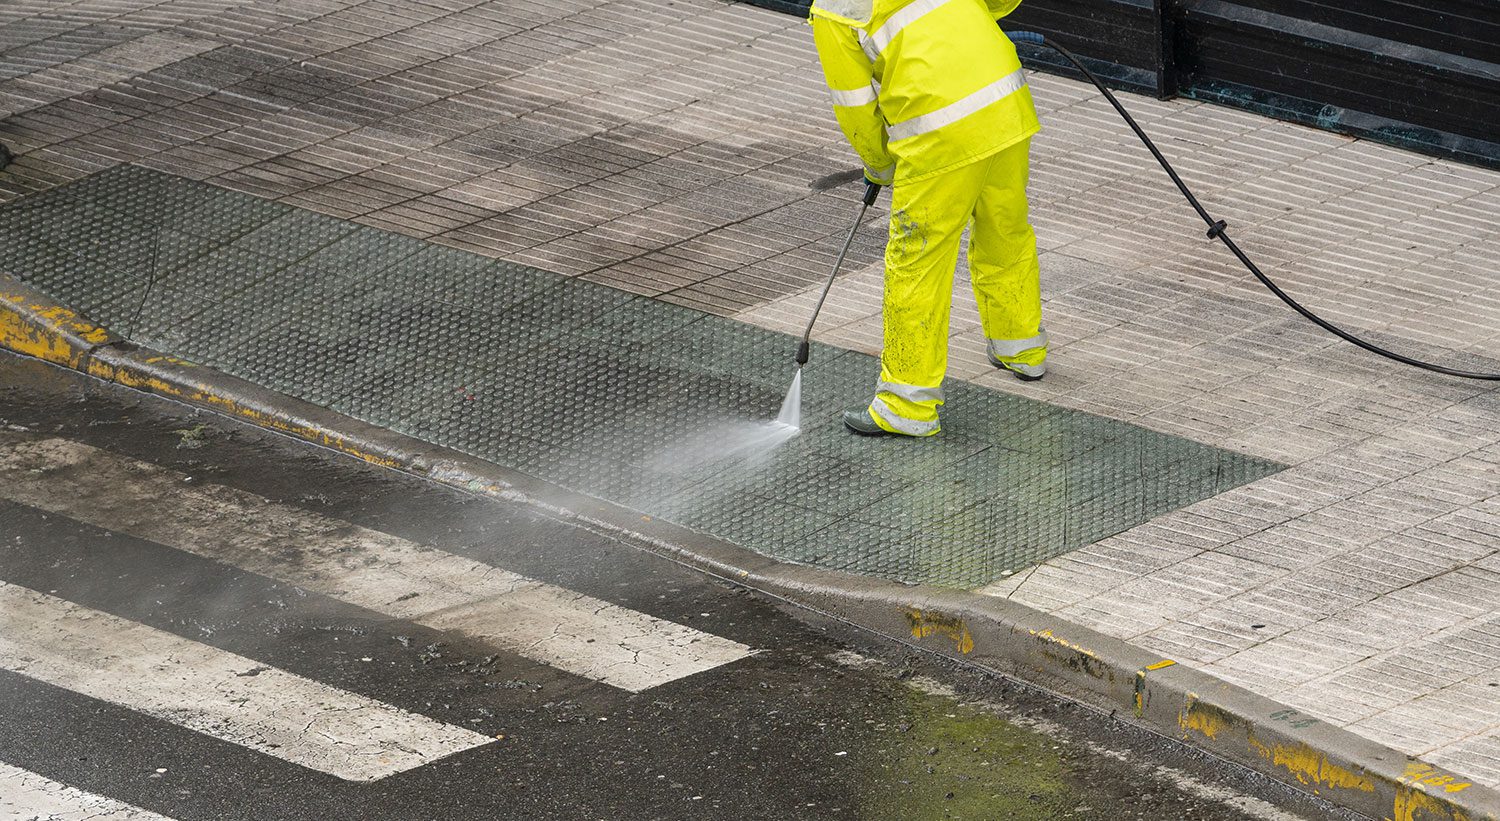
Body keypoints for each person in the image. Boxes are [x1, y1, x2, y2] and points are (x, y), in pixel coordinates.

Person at [809, 0, 1047, 437]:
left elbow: (855, 105)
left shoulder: (833, 9)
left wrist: (879, 163)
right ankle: (1022, 348)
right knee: (1004, 225)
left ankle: (906, 404)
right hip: (1004, 103)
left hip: (940, 130)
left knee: (916, 258)